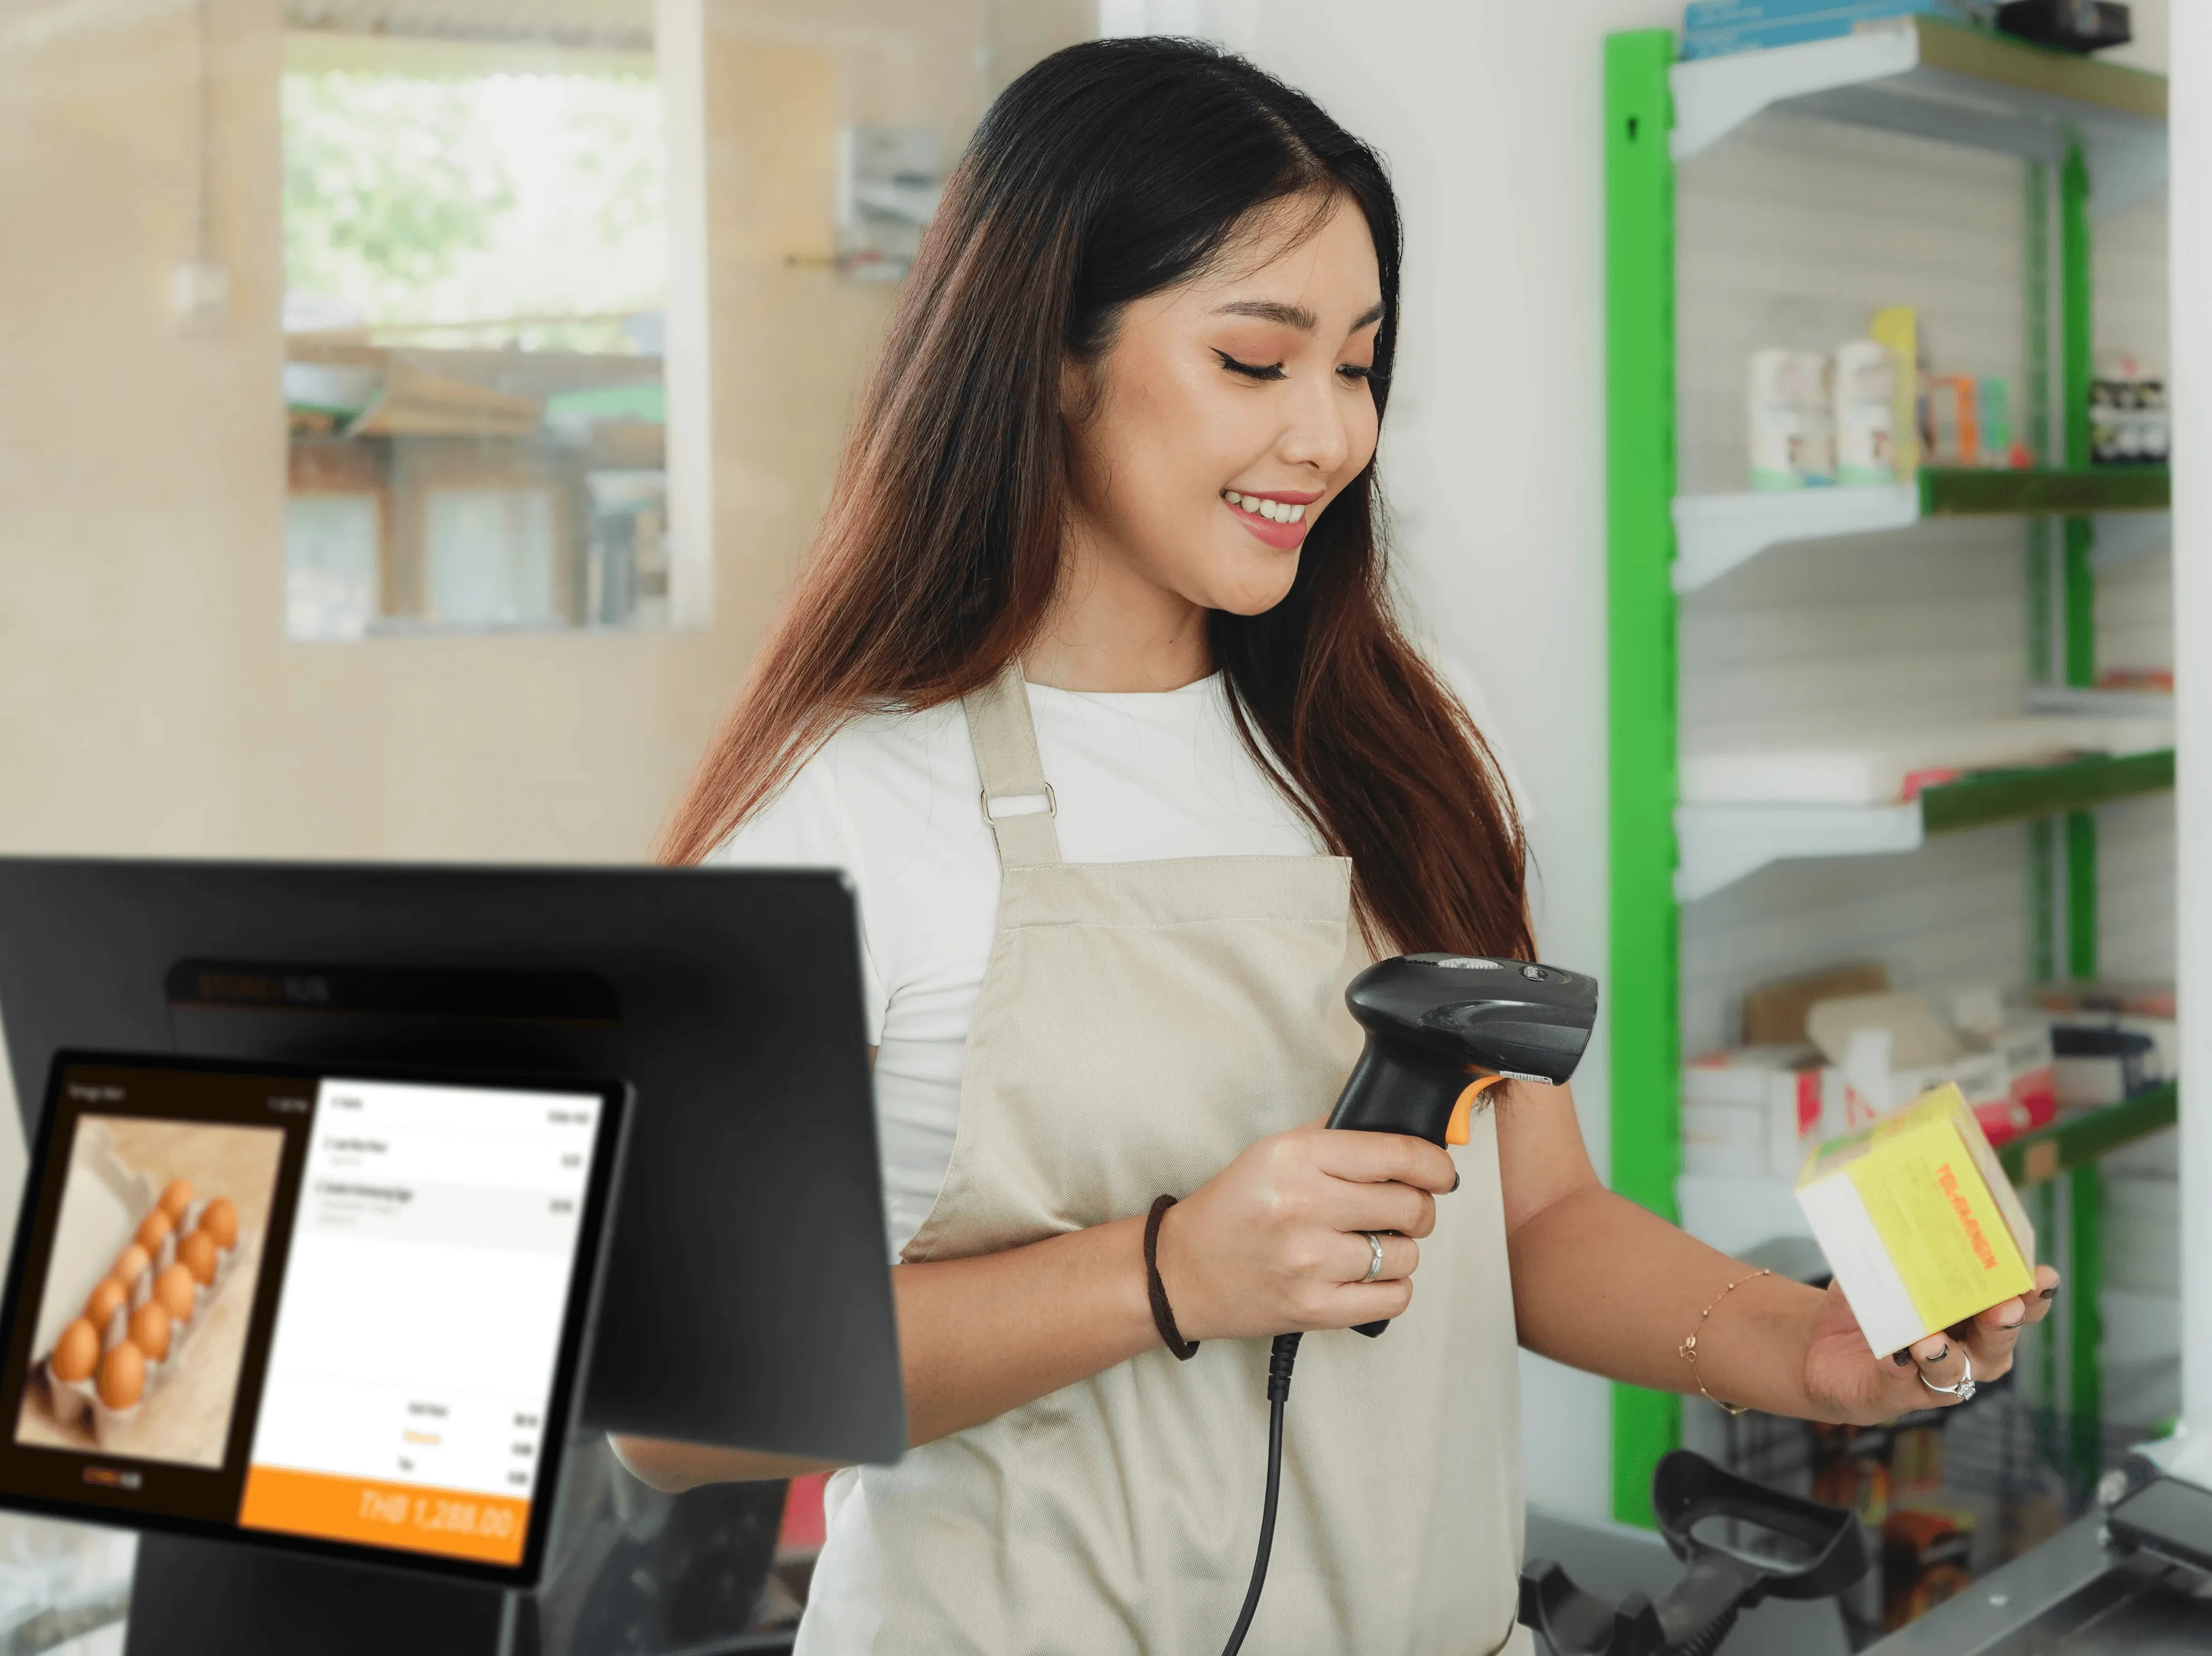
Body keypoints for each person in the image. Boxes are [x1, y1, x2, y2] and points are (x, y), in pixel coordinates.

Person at [613, 37, 2058, 1656]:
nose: (1329, 434)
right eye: (1256, 358)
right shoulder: (843, 802)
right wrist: (1163, 1272)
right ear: (1052, 358)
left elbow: (1532, 1221)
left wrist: (1809, 1350)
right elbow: (673, 1411)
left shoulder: (1409, 743)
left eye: (1359, 366)